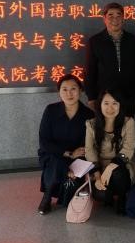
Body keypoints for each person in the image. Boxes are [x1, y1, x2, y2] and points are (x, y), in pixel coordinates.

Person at [37, 74, 94, 215]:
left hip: (78, 158)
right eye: (65, 89)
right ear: (59, 92)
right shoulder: (51, 110)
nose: (69, 94)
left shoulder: (88, 114)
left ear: (80, 90)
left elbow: (88, 143)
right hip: (53, 154)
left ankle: (65, 190)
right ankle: (47, 196)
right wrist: (67, 153)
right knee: (57, 162)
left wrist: (75, 155)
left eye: (73, 89)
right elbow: (44, 141)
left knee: (68, 199)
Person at [84, 89, 135, 215]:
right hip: (100, 166)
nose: (110, 108)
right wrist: (97, 176)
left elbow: (129, 148)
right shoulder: (91, 124)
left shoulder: (128, 122)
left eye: (115, 103)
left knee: (117, 174)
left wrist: (110, 168)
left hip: (123, 165)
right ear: (100, 105)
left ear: (120, 105)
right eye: (106, 103)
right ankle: (110, 195)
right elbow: (89, 150)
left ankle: (122, 197)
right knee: (100, 195)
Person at [85, 2, 135, 116]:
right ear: (104, 19)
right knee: (107, 126)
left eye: (118, 15)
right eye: (110, 15)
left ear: (123, 19)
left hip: (127, 96)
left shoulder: (133, 40)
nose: (115, 19)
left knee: (127, 125)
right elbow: (90, 71)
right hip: (104, 97)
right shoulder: (95, 41)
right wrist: (91, 97)